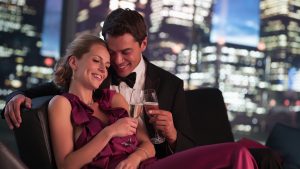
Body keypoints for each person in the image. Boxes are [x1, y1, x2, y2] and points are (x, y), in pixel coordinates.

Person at [2, 8, 283, 168]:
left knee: (249, 155)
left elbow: (182, 145)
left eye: (126, 52)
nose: (116, 63)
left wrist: (171, 134)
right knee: (240, 155)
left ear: (143, 45)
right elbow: (55, 86)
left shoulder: (170, 85)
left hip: (156, 159)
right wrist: (16, 96)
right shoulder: (96, 77)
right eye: (110, 54)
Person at [48, 33, 257, 169]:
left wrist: (135, 157)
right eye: (96, 61)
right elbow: (67, 165)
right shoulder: (61, 104)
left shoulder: (114, 99)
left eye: (106, 64)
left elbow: (147, 144)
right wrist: (110, 131)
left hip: (148, 164)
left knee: (238, 152)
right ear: (74, 62)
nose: (104, 69)